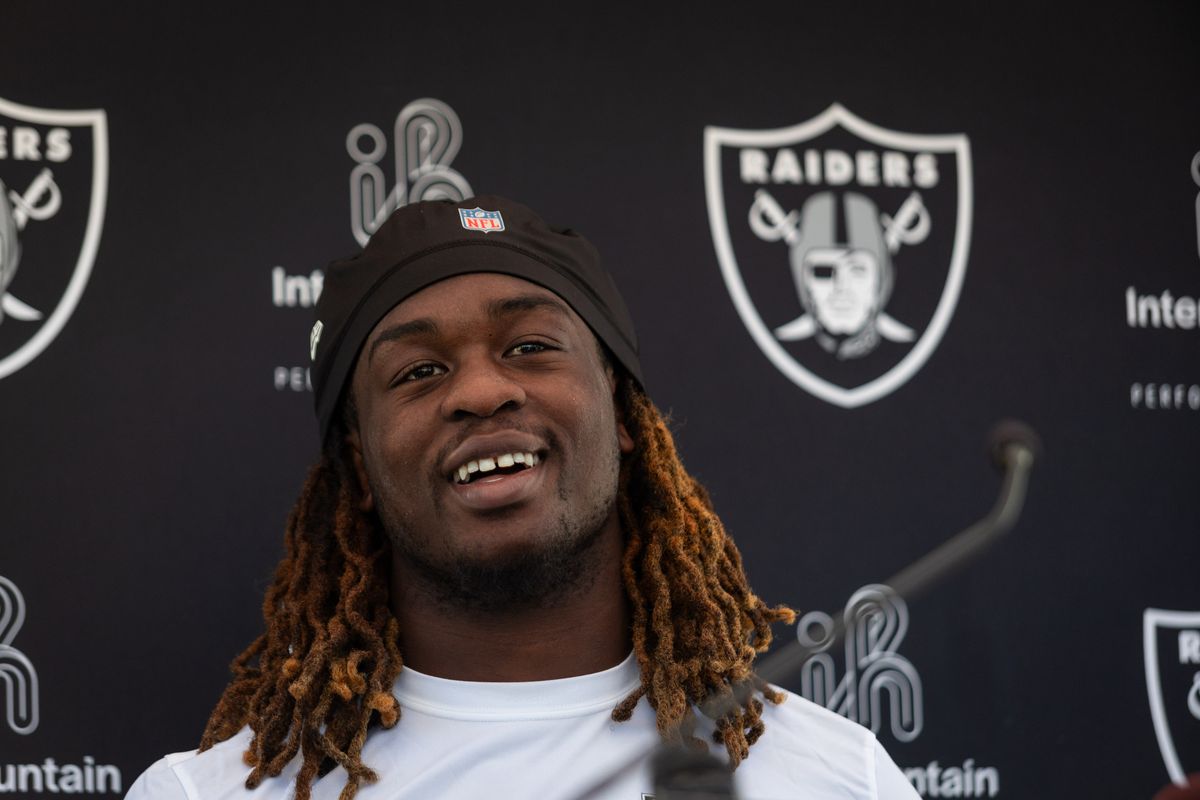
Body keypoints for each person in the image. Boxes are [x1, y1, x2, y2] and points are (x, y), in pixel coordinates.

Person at [126, 196, 919, 799]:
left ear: (622, 411)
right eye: (418, 372)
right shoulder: (210, 795)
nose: (480, 390)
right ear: (361, 469)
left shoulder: (833, 779)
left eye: (530, 347)